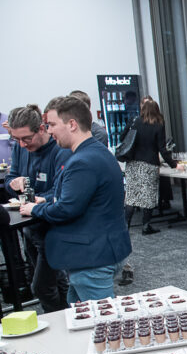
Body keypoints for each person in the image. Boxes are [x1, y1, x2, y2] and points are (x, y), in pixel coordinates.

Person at [23, 96, 131, 302]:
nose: (49, 130)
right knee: (81, 317)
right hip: (100, 251)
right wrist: (47, 201)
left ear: (72, 124)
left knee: (104, 325)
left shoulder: (82, 161)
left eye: (52, 124)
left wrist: (33, 209)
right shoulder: (97, 152)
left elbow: (66, 209)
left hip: (92, 257)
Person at [4, 105, 70, 312]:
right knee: (56, 281)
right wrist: (13, 184)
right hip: (29, 227)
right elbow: (9, 178)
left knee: (40, 286)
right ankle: (65, 318)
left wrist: (43, 199)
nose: (22, 145)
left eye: (26, 139)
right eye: (16, 139)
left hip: (53, 229)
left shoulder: (60, 150)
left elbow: (63, 192)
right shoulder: (20, 148)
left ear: (41, 129)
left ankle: (58, 320)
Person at [123, 97, 178, 235]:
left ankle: (125, 227)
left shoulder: (134, 122)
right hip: (149, 164)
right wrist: (174, 165)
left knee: (131, 196)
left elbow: (122, 138)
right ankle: (146, 226)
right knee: (149, 196)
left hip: (133, 163)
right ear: (157, 110)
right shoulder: (158, 124)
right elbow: (162, 148)